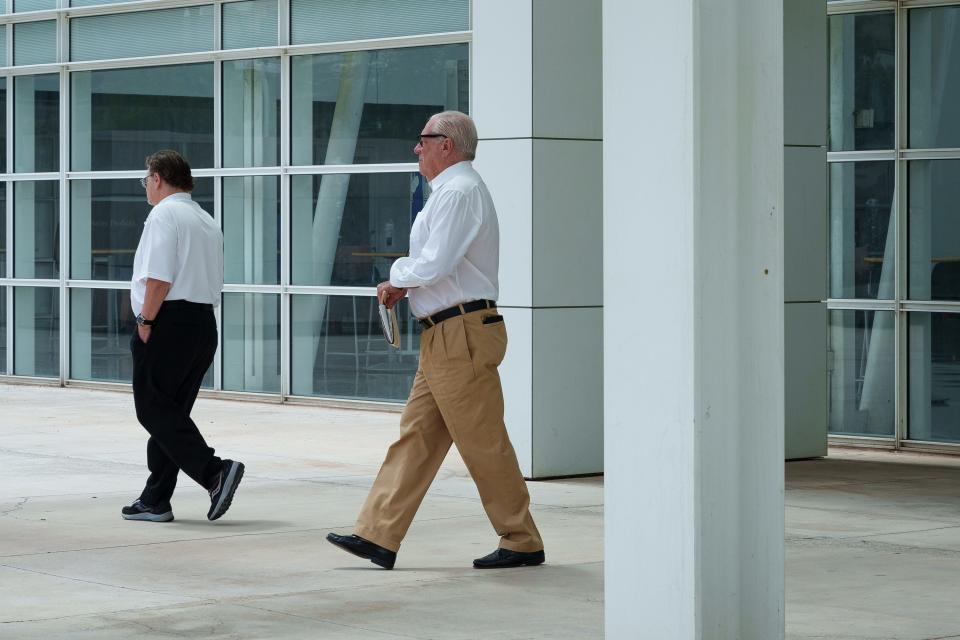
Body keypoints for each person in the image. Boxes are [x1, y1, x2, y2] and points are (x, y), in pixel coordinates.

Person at [327, 111, 544, 570]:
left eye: (422, 140)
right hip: (447, 334)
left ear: (447, 144)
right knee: (417, 438)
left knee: (482, 441)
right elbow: (435, 261)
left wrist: (395, 279)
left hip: (459, 332)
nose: (416, 148)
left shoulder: (460, 191)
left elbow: (434, 263)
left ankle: (521, 539)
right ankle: (378, 535)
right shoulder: (452, 192)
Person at [121, 149, 244, 523]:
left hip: (168, 323)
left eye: (147, 180)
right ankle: (156, 498)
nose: (146, 188)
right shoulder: (205, 219)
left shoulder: (163, 214)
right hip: (203, 324)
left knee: (152, 409)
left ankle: (214, 471)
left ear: (157, 178)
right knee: (170, 414)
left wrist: (144, 320)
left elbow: (158, 278)